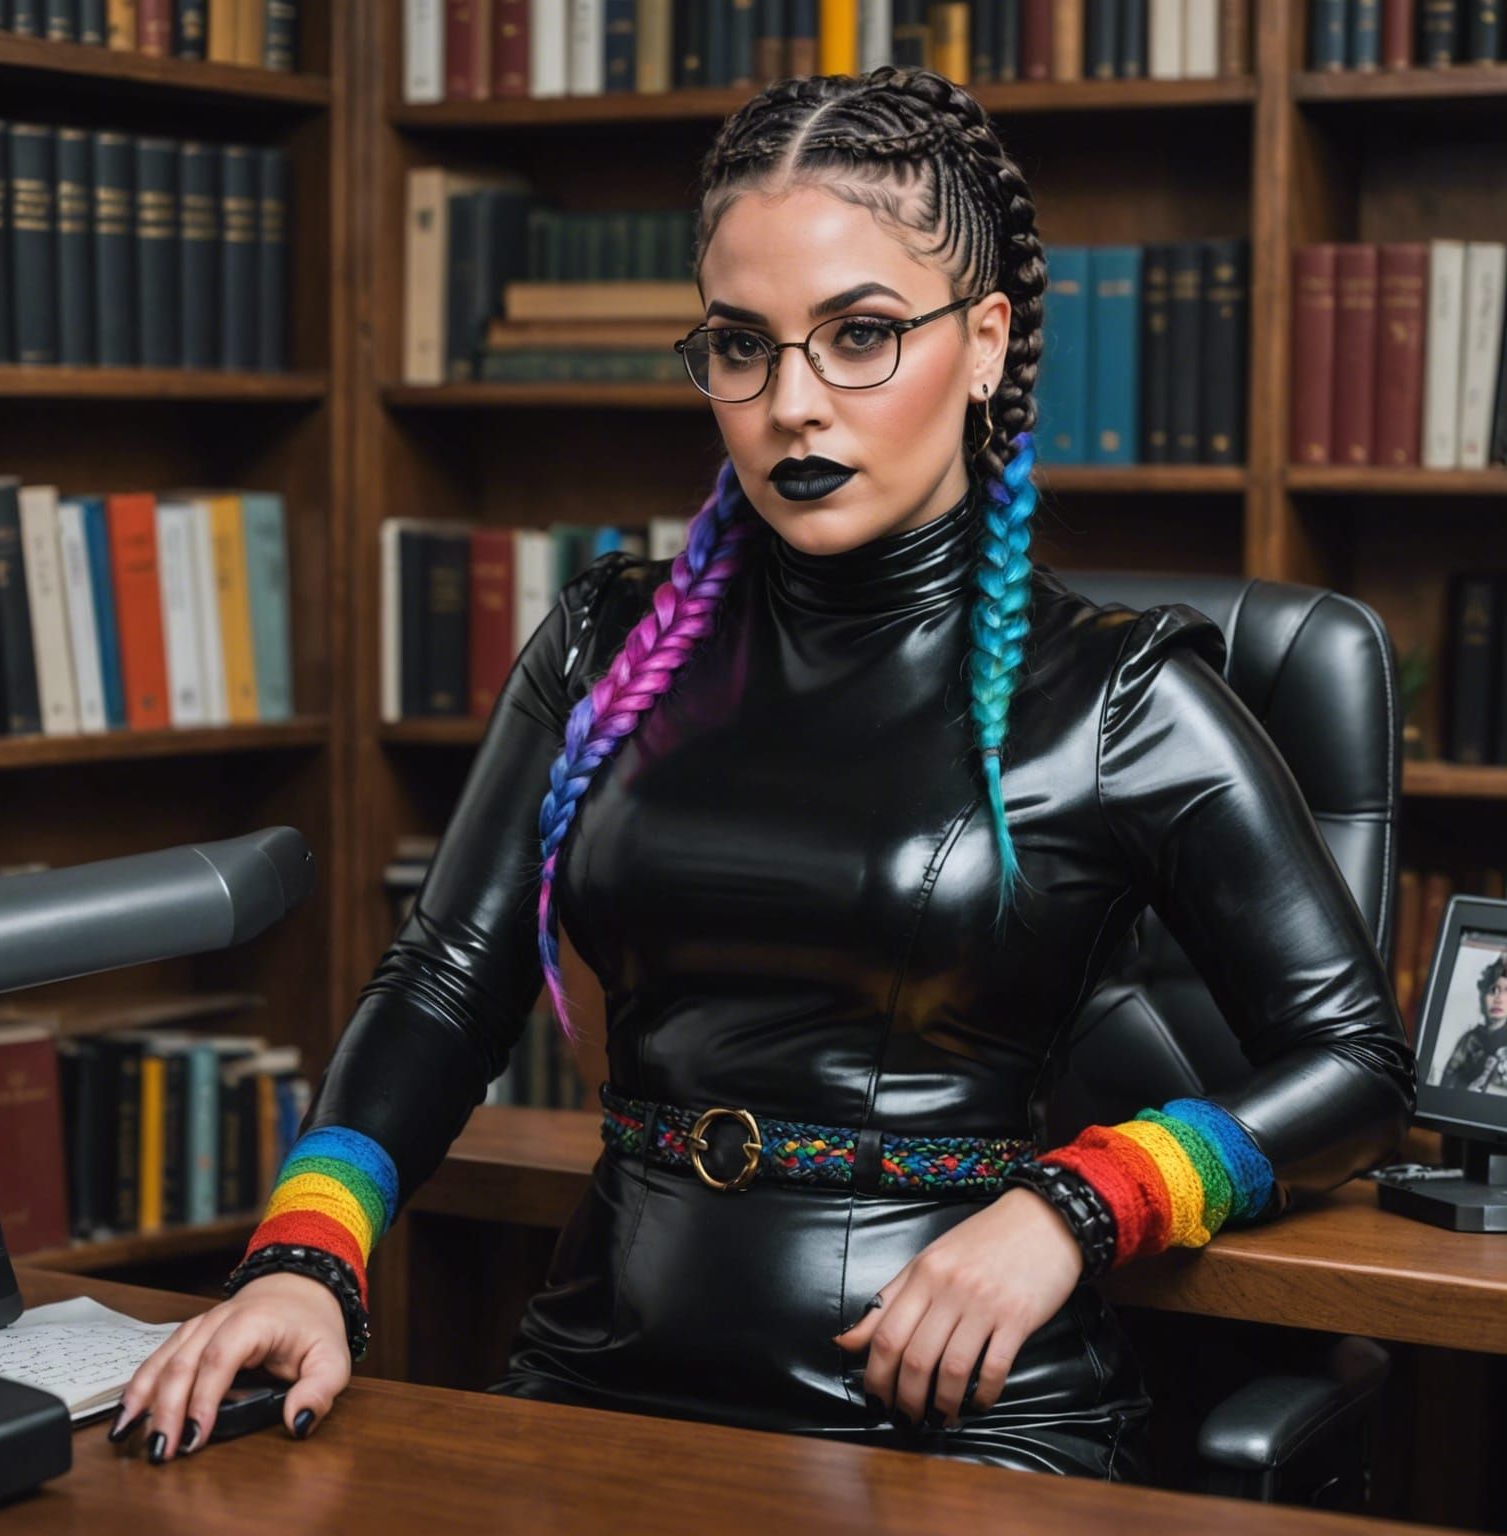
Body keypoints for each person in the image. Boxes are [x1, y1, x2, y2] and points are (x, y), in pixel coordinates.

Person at [110, 65, 1416, 1480]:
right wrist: (306, 1259)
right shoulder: (606, 640)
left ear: (985, 343)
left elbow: (1357, 1066)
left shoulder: (1121, 692)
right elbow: (445, 983)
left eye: (859, 335)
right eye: (743, 345)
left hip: (953, 1424)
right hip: (595, 1372)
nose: (793, 403)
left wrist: (1080, 1206)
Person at [1436, 955, 1507, 1093]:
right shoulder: (1469, 1040)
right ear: (1483, 995)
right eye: (1493, 990)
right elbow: (1446, 1085)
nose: (1499, 999)